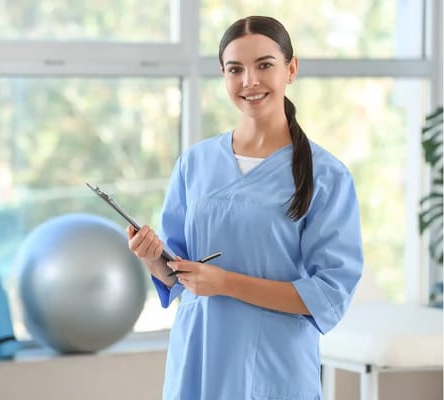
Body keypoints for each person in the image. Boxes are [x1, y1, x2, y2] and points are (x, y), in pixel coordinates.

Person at [126, 16, 363, 400]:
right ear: (223, 75)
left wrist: (226, 283)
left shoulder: (327, 176)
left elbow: (328, 294)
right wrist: (153, 258)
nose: (249, 81)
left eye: (264, 65)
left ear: (291, 68)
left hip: (273, 366)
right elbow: (177, 274)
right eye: (235, 69)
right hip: (199, 356)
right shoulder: (195, 162)